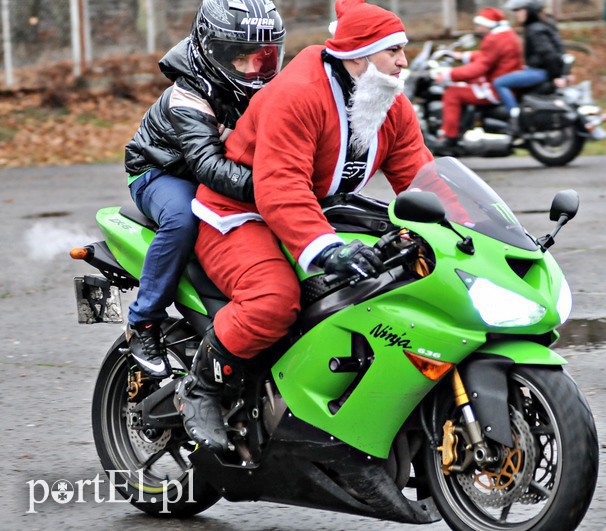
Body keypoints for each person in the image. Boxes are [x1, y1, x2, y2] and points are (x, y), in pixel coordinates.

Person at [175, 0, 434, 454]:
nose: (403, 61)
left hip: (314, 215)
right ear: (359, 55)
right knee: (273, 301)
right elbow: (281, 186)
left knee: (391, 284)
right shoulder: (298, 93)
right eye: (393, 50)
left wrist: (476, 232)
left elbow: (423, 179)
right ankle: (201, 388)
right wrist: (326, 248)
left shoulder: (389, 105)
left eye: (402, 49)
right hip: (239, 214)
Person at [123, 0, 285, 379]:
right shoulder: (187, 95)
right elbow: (208, 166)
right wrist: (272, 187)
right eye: (238, 56)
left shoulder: (269, 87)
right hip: (161, 172)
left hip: (214, 174)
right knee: (183, 217)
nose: (252, 67)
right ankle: (143, 321)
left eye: (263, 56)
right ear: (211, 49)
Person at [431, 7, 522, 156]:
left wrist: (448, 74)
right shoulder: (506, 35)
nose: (478, 28)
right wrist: (463, 56)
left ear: (488, 24)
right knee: (464, 87)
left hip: (492, 88)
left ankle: (449, 138)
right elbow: (488, 56)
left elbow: (480, 67)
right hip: (501, 80)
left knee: (452, 93)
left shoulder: (493, 39)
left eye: (480, 25)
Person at [492, 0, 566, 133]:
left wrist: (556, 75)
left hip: (540, 71)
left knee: (499, 83)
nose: (518, 15)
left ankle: (515, 118)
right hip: (540, 69)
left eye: (521, 11)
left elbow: (548, 54)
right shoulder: (542, 26)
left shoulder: (534, 29)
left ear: (530, 12)